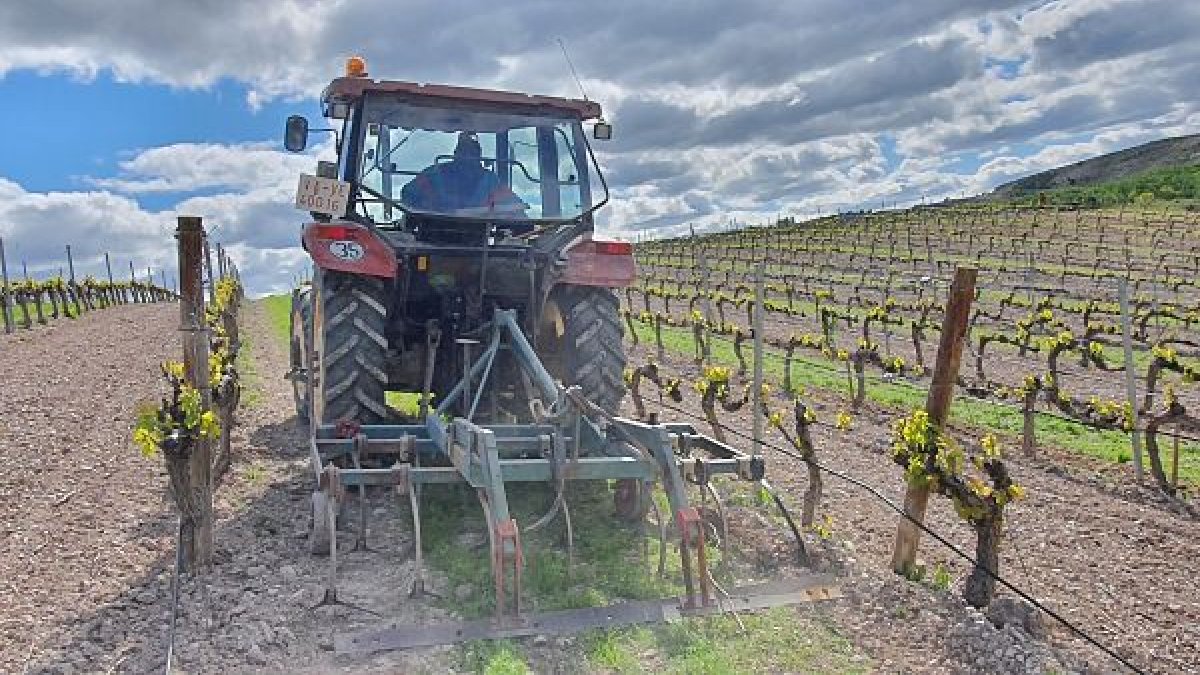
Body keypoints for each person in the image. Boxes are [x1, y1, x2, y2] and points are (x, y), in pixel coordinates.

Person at [401, 132, 526, 217]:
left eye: (472, 153)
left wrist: (527, 225)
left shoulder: (489, 180)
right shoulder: (434, 174)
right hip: (431, 236)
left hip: (478, 237)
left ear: (479, 156)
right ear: (455, 154)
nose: (468, 157)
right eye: (464, 152)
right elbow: (407, 194)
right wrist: (428, 208)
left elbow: (514, 206)